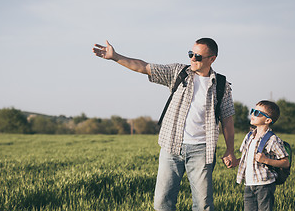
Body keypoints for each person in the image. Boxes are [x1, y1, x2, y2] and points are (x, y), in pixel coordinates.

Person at [92, 38, 237, 211]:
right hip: (171, 147)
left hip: (202, 150)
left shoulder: (221, 85)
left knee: (203, 205)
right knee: (162, 203)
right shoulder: (178, 72)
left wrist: (230, 150)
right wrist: (115, 57)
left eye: (198, 56)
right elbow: (144, 67)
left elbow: (227, 120)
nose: (192, 59)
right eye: (191, 54)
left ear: (212, 59)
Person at [236, 100, 289, 211]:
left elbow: (285, 162)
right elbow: (246, 158)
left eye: (257, 113)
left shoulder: (272, 139)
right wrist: (235, 162)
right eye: (253, 111)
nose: (252, 114)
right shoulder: (249, 136)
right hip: (249, 184)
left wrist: (266, 160)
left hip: (264, 184)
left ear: (268, 120)